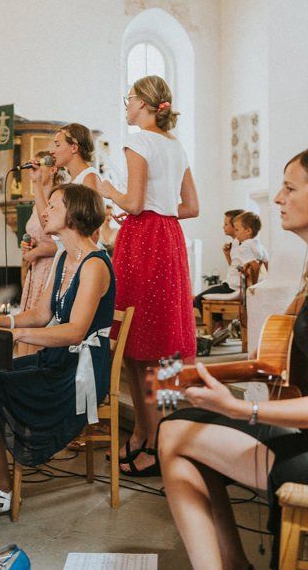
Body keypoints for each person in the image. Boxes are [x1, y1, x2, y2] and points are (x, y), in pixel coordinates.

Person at [158, 143, 308, 570]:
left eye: (290, 188)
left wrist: (239, 407)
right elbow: (284, 346)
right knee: (180, 426)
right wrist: (209, 377)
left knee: (173, 436)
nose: (277, 198)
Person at [0, 184, 114, 515]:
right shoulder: (63, 256)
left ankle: (1, 488)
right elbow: (41, 314)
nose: (45, 211)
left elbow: (75, 331)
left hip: (77, 374)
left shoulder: (95, 265)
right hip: (56, 361)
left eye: (54, 206)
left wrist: (16, 335)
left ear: (75, 214)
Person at [97, 74, 199, 477]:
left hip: (143, 241)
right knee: (157, 347)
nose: (126, 106)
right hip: (169, 238)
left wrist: (109, 192)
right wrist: (159, 210)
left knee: (139, 347)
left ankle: (154, 443)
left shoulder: (138, 142)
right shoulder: (176, 145)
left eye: (129, 99)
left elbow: (135, 203)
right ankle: (147, 434)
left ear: (143, 103)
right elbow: (191, 207)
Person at [16, 150, 59, 357]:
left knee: (40, 330)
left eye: (40, 166)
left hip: (50, 269)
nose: (36, 170)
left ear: (53, 169)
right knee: (27, 328)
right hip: (36, 271)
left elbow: (64, 243)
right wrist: (29, 248)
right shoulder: (37, 202)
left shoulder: (57, 199)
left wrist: (39, 251)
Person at [194, 210, 269, 320]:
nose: (223, 227)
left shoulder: (244, 246)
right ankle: (219, 326)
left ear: (247, 230)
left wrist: (252, 286)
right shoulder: (257, 245)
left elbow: (254, 265)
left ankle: (217, 327)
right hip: (237, 284)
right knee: (199, 298)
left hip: (233, 286)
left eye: (227, 224)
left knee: (198, 299)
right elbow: (237, 266)